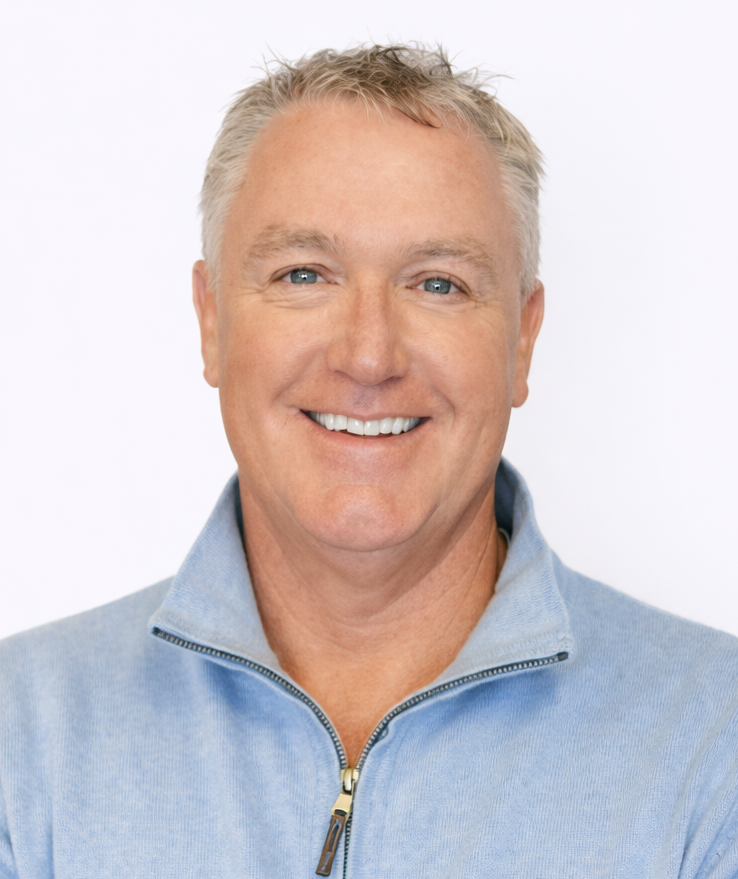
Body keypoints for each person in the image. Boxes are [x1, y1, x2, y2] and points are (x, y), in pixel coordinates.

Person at [1, 44, 737, 879]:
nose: (369, 354)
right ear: (211, 321)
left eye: (438, 283)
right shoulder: (21, 746)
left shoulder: (715, 748)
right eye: (304, 274)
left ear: (521, 340)